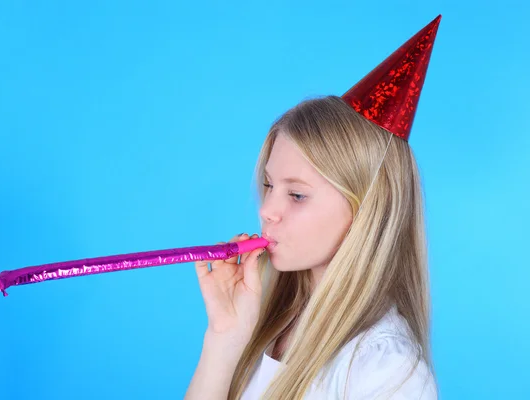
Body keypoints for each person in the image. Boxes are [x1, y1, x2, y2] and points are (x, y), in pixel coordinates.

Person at [185, 15, 441, 400]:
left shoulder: (386, 369)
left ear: (365, 209)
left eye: (297, 195)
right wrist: (225, 338)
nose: (267, 211)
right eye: (269, 185)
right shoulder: (269, 323)